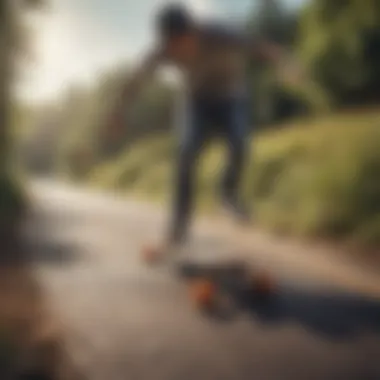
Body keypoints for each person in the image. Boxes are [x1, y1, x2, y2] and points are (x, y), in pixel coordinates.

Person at [111, 3, 301, 257]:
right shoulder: (163, 51)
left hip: (231, 96)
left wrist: (286, 62)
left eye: (183, 41)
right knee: (186, 152)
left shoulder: (220, 34)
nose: (179, 50)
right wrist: (118, 112)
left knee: (239, 141)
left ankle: (228, 193)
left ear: (193, 31)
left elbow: (258, 46)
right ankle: (178, 228)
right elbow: (136, 79)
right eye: (172, 45)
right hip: (195, 102)